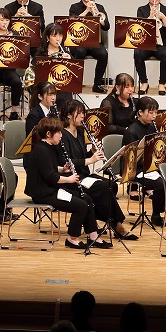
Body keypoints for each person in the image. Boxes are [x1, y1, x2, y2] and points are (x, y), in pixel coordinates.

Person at [22, 116, 112, 250]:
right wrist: (69, 179)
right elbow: (51, 177)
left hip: (51, 189)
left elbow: (50, 168)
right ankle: (72, 238)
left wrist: (62, 169)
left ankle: (93, 236)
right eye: (58, 132)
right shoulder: (41, 150)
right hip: (43, 193)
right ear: (48, 134)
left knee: (86, 199)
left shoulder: (48, 147)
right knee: (81, 205)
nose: (61, 135)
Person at [60, 99, 138, 240]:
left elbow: (82, 156)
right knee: (101, 187)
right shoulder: (62, 135)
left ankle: (100, 221)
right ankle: (116, 224)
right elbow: (67, 162)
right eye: (79, 113)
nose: (83, 116)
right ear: (69, 115)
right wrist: (91, 159)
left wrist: (92, 151)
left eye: (83, 113)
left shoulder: (79, 132)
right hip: (72, 178)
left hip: (84, 175)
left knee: (112, 185)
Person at [122, 95, 166, 226]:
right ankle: (156, 215)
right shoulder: (131, 132)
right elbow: (131, 160)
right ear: (140, 112)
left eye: (156, 112)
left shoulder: (151, 126)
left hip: (150, 166)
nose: (154, 116)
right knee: (161, 184)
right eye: (151, 112)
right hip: (137, 169)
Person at [68, 0, 110, 93]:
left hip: (94, 42)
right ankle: (76, 83)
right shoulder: (74, 7)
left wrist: (99, 18)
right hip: (78, 42)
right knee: (79, 52)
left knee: (103, 54)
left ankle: (97, 84)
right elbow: (72, 24)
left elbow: (107, 27)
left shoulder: (99, 7)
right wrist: (87, 10)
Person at [133, 0, 166, 95]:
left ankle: (162, 84)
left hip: (162, 44)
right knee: (137, 53)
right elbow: (140, 29)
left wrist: (163, 17)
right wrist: (150, 17)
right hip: (146, 43)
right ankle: (144, 82)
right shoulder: (141, 10)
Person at [32, 22, 73, 107]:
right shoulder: (40, 54)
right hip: (45, 88)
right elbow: (34, 72)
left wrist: (70, 63)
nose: (58, 39)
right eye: (54, 36)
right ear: (48, 38)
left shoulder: (67, 54)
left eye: (60, 35)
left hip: (62, 88)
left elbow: (73, 76)